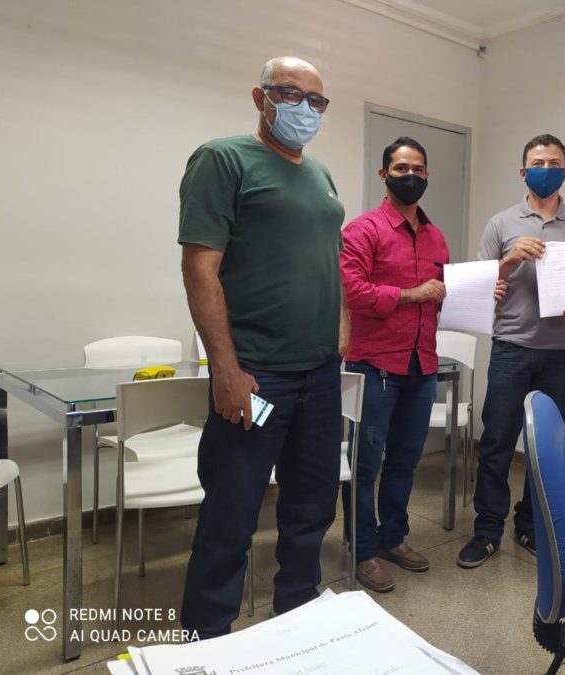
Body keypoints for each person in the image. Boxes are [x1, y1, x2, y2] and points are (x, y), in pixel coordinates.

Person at [178, 56, 347, 638]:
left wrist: (341, 325)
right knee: (231, 515)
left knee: (311, 509)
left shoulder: (321, 176)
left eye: (316, 101)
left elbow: (328, 258)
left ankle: (295, 620)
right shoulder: (223, 159)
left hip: (320, 376)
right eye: (290, 94)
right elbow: (200, 269)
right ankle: (205, 637)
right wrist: (225, 369)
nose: (306, 108)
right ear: (261, 97)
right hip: (257, 374)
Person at [457, 133, 565, 569]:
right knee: (497, 442)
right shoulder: (501, 223)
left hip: (561, 352)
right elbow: (479, 287)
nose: (546, 169)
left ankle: (529, 526)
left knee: (544, 448)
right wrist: (509, 261)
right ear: (523, 172)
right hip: (511, 348)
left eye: (554, 163)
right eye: (538, 163)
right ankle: (487, 530)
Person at [338, 137, 448, 593]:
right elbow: (354, 292)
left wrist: (479, 293)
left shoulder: (435, 236)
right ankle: (362, 549)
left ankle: (392, 539)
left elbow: (442, 297)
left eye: (419, 169)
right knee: (365, 464)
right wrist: (410, 294)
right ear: (384, 175)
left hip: (422, 365)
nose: (411, 176)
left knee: (405, 461)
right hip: (374, 366)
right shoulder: (362, 230)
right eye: (402, 168)